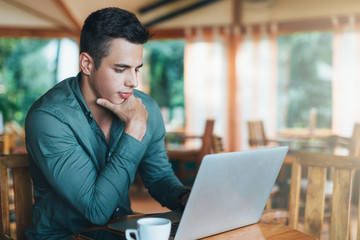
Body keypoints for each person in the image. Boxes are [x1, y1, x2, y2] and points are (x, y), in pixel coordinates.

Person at [25, 7, 190, 239]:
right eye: (120, 69)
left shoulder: (145, 109)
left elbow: (160, 178)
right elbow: (97, 210)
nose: (133, 82)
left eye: (136, 69)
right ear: (87, 64)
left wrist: (186, 197)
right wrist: (134, 131)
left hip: (121, 232)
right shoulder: (48, 119)